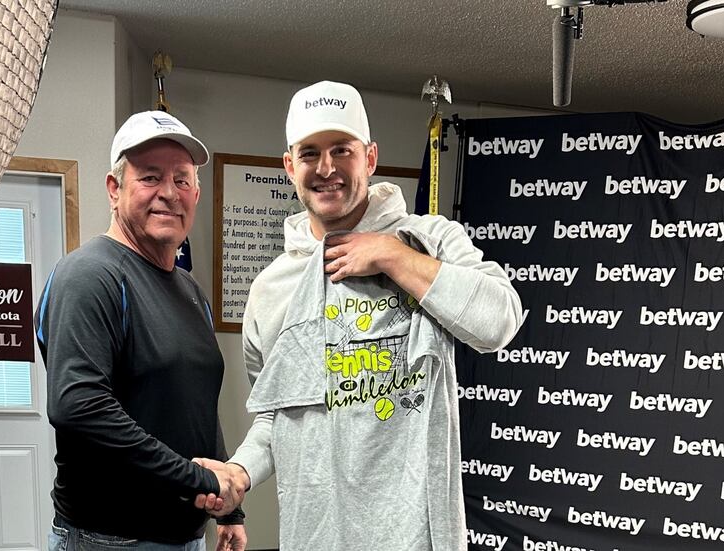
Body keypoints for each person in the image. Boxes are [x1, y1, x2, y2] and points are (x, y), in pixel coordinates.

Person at [204, 81, 523, 550]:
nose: (327, 168)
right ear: (290, 166)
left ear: (369, 158)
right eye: (310, 153)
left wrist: (395, 258)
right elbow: (276, 419)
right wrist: (239, 470)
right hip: (316, 537)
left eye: (342, 150)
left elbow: (499, 320)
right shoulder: (271, 290)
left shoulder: (429, 240)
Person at [35, 111, 247, 551]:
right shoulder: (90, 275)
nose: (169, 193)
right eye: (150, 177)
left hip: (185, 535)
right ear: (115, 189)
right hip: (110, 539)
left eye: (182, 179)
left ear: (196, 193)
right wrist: (199, 479)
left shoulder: (188, 288)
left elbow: (197, 403)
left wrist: (228, 508)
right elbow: (79, 406)